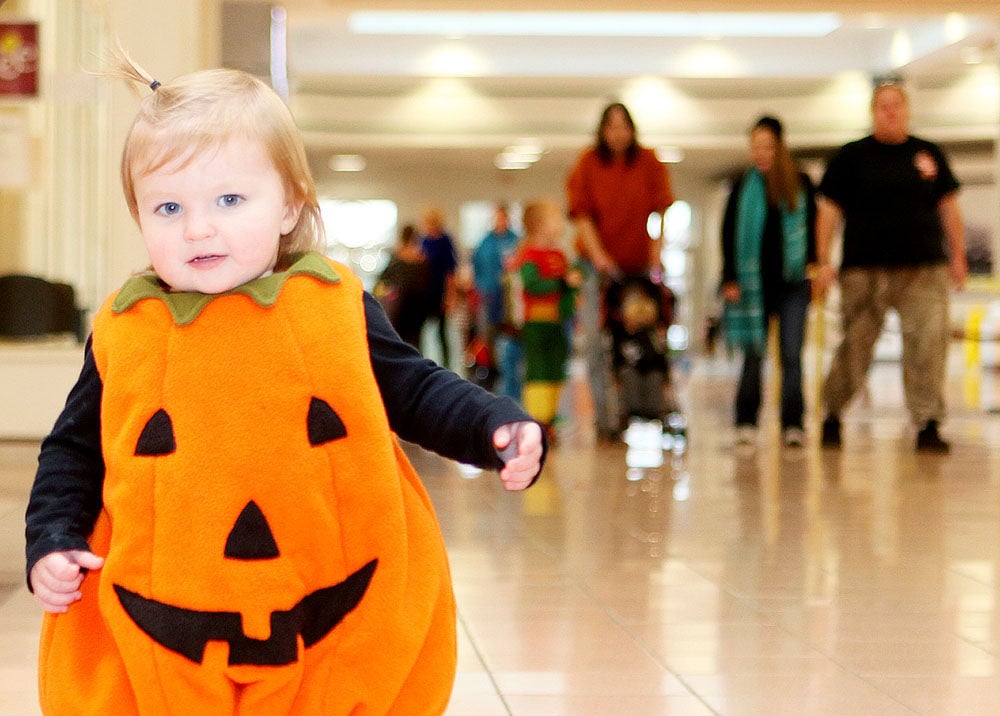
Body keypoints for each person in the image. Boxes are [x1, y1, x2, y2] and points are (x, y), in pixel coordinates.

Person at [24, 53, 545, 715]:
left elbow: (413, 390)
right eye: (168, 206)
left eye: (230, 199)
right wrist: (53, 538)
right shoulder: (127, 330)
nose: (198, 227)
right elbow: (72, 451)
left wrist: (491, 425)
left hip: (323, 595)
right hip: (166, 609)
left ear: (289, 202)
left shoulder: (329, 306)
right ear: (139, 215)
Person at [812, 82, 966, 453]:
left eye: (896, 105)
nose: (890, 111)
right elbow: (829, 212)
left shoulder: (928, 154)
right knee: (856, 345)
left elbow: (949, 208)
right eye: (883, 105)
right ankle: (832, 413)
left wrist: (957, 255)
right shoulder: (851, 157)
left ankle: (928, 421)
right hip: (865, 269)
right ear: (873, 111)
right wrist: (823, 261)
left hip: (923, 268)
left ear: (907, 110)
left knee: (927, 346)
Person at [566, 102, 675, 439]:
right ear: (602, 130)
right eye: (611, 126)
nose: (618, 133)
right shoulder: (588, 163)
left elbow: (660, 212)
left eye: (623, 126)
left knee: (647, 335)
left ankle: (650, 403)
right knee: (599, 341)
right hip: (597, 266)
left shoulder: (648, 162)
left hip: (638, 265)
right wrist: (599, 257)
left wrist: (656, 253)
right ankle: (605, 417)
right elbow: (581, 216)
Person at [720, 115, 817, 448]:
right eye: (755, 147)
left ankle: (794, 423)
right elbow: (728, 234)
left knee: (792, 354)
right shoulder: (741, 187)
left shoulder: (800, 183)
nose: (761, 153)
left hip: (792, 284)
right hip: (752, 287)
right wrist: (729, 278)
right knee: (753, 354)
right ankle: (746, 420)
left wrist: (814, 269)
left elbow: (813, 231)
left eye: (767, 147)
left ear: (779, 147)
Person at [515, 199, 582, 442]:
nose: (561, 224)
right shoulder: (529, 255)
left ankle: (551, 416)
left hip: (558, 322)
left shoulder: (559, 254)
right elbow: (532, 285)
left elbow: (569, 285)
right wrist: (563, 283)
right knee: (539, 370)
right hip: (537, 322)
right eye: (556, 219)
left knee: (556, 369)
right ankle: (538, 417)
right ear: (541, 225)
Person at [471, 204, 523, 401]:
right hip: (489, 299)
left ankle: (512, 387)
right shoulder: (485, 243)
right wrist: (481, 290)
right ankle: (491, 380)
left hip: (510, 301)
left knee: (511, 342)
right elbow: (477, 268)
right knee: (489, 341)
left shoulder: (515, 240)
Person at [374, 222, 430, 349]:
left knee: (399, 339)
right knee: (416, 339)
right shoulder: (421, 257)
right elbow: (425, 282)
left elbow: (384, 277)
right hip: (418, 304)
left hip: (401, 304)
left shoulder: (397, 256)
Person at [418, 205, 458, 370]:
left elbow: (450, 272)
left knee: (442, 332)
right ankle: (419, 363)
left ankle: (447, 366)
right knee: (421, 330)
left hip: (440, 290)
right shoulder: (424, 240)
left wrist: (450, 296)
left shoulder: (445, 241)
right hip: (424, 291)